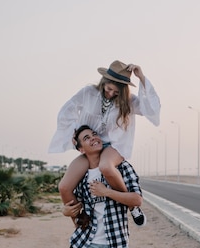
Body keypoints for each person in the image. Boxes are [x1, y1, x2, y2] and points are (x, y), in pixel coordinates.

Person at [49, 60, 160, 226]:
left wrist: (141, 77)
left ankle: (132, 207)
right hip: (91, 146)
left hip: (113, 147)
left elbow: (151, 109)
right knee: (64, 187)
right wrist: (73, 131)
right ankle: (80, 226)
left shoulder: (128, 101)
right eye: (109, 89)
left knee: (106, 167)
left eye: (116, 92)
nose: (111, 94)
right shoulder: (88, 92)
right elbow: (67, 110)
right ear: (103, 82)